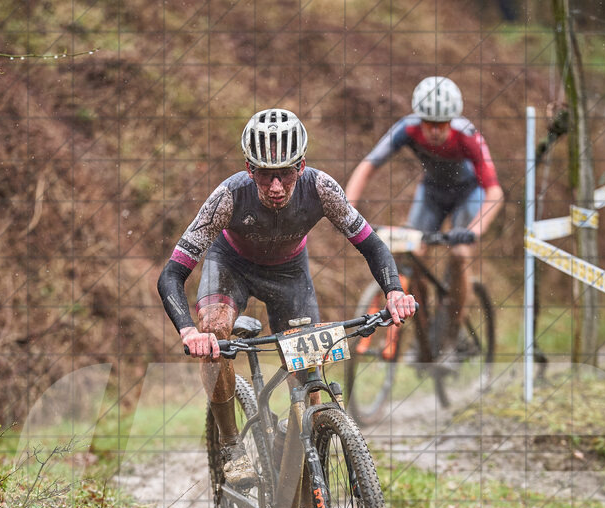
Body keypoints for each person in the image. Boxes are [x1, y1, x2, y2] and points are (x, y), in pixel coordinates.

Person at [158, 107, 416, 487]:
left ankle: (308, 480)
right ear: (249, 169)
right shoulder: (227, 197)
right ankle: (231, 445)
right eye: (265, 174)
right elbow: (172, 274)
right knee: (214, 332)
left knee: (312, 385)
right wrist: (188, 332)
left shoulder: (322, 189)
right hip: (230, 266)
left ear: (302, 166)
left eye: (286, 173)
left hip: (289, 273)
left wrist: (393, 290)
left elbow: (372, 245)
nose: (276, 186)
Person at [345, 77, 503, 349]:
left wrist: (474, 230)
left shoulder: (467, 135)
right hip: (431, 194)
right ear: (419, 120)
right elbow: (368, 165)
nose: (434, 131)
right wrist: (347, 210)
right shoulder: (407, 129)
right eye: (428, 123)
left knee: (459, 254)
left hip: (468, 194)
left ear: (451, 121)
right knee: (412, 253)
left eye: (441, 124)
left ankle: (452, 332)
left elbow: (495, 193)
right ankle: (425, 325)